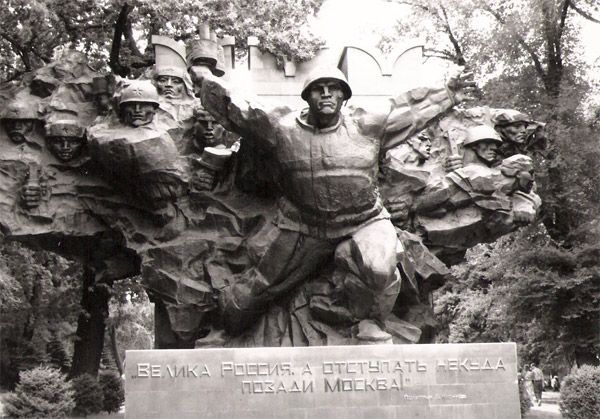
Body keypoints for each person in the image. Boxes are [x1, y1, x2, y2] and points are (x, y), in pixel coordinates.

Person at [191, 64, 476, 338]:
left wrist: (449, 93)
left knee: (378, 269)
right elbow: (239, 108)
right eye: (318, 89)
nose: (326, 94)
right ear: (307, 96)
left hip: (365, 220)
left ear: (343, 96)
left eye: (333, 88)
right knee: (258, 290)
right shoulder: (282, 128)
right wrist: (206, 83)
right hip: (305, 224)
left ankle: (368, 321)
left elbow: (410, 110)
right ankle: (217, 329)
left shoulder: (368, 126)